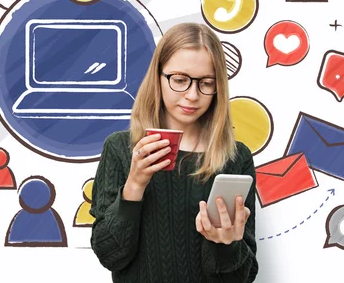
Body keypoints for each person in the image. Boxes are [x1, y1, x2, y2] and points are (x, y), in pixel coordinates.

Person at [90, 22, 258, 282]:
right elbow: (110, 255)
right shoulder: (120, 149)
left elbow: (244, 277)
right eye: (179, 80)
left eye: (206, 83)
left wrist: (225, 245)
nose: (192, 95)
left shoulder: (235, 158)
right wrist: (134, 186)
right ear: (158, 76)